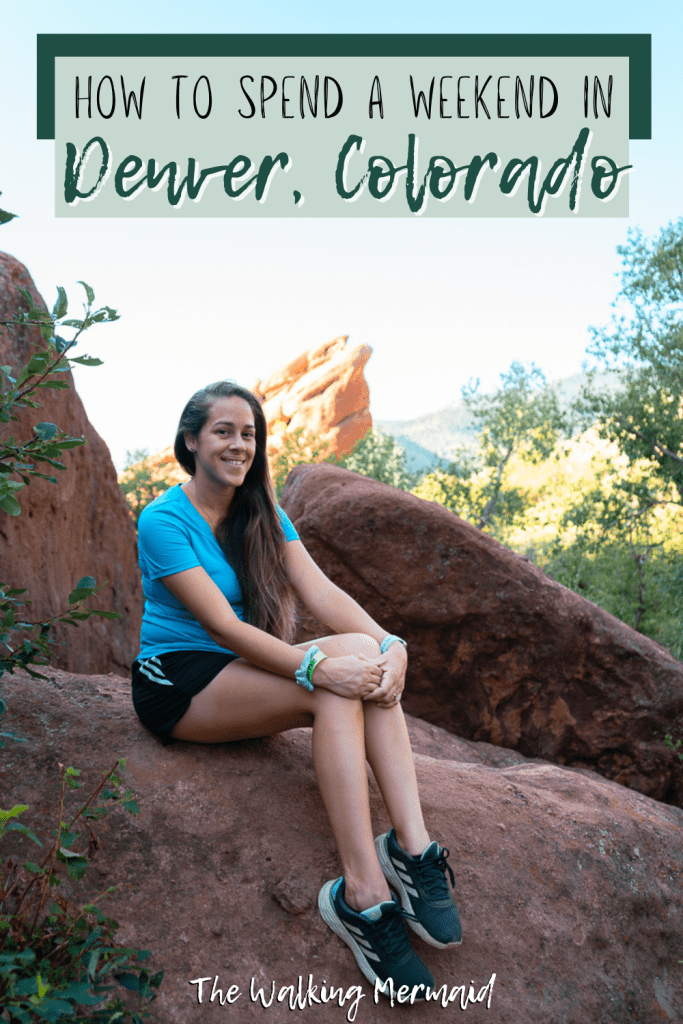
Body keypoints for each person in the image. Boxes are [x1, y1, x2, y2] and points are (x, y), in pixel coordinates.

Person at [131, 380, 461, 996]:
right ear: (191, 441)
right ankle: (362, 897)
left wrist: (393, 645)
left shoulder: (262, 510)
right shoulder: (162, 520)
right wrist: (313, 670)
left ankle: (413, 853)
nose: (238, 445)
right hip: (180, 679)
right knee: (336, 686)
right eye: (223, 432)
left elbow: (321, 594)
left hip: (245, 668)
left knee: (364, 660)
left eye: (248, 434)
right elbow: (222, 627)